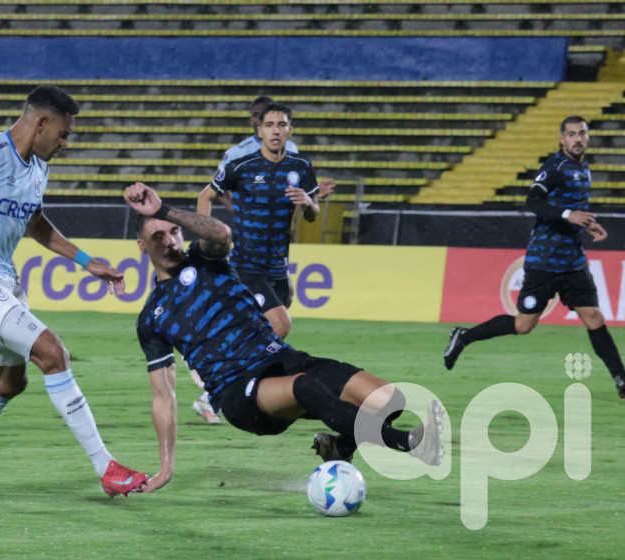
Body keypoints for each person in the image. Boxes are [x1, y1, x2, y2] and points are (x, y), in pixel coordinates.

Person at [124, 182, 445, 493]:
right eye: (158, 235)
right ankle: (410, 443)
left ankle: (341, 446)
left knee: (390, 401)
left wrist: (165, 210)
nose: (170, 241)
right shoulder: (151, 317)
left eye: (174, 231)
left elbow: (221, 233)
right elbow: (163, 397)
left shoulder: (205, 258)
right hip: (238, 391)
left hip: (282, 357)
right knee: (304, 386)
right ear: (142, 246)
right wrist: (166, 466)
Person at [0, 85, 147, 497]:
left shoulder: (38, 166)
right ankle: (106, 467)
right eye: (64, 133)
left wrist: (86, 260)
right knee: (53, 353)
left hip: (2, 282)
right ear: (41, 122)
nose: (65, 143)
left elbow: (35, 224)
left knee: (7, 383)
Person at [443, 116, 625, 398]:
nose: (578, 139)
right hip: (544, 261)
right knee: (523, 325)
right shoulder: (555, 167)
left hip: (573, 261)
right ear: (562, 139)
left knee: (594, 317)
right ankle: (464, 337)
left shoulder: (583, 168)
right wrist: (568, 215)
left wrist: (587, 223)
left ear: (588, 138)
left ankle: (621, 380)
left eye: (582, 134)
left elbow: (571, 209)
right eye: (571, 134)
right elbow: (533, 200)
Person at [190, 102, 331, 424]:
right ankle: (215, 395)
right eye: (270, 125)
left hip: (278, 266)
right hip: (245, 264)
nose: (276, 130)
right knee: (280, 325)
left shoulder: (301, 167)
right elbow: (205, 196)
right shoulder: (241, 166)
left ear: (290, 131)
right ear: (260, 131)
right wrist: (208, 238)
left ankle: (219, 365)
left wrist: (309, 203)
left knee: (267, 329)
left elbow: (312, 215)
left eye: (282, 124)